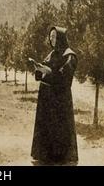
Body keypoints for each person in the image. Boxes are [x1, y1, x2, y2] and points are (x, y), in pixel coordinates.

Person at [31, 26, 78, 165]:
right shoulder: (52, 54)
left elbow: (64, 77)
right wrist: (39, 69)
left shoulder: (69, 55)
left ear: (61, 38)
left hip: (60, 100)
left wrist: (49, 72)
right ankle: (46, 156)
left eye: (54, 37)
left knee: (59, 128)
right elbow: (42, 73)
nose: (52, 40)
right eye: (50, 37)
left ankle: (59, 158)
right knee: (48, 127)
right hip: (47, 100)